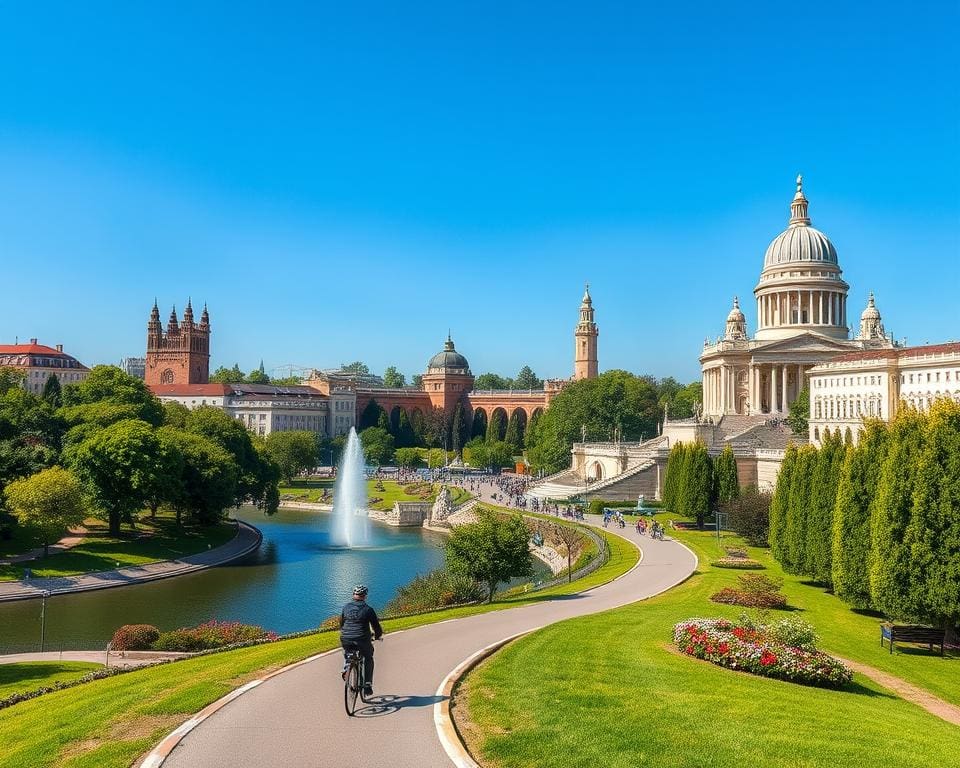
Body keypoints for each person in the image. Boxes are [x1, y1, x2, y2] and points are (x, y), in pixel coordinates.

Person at [339, 584, 383, 696]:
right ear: (365, 596)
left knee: (348, 653)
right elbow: (376, 626)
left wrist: (345, 632)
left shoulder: (346, 607)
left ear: (353, 595)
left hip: (346, 637)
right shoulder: (368, 609)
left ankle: (346, 669)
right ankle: (367, 685)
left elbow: (342, 623)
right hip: (362, 638)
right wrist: (377, 636)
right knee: (368, 657)